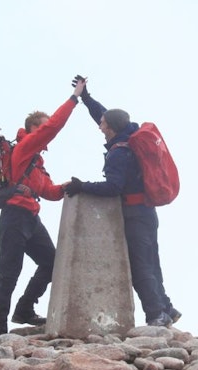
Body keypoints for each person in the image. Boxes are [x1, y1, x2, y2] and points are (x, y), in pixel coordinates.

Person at [64, 77, 181, 327]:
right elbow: (102, 114)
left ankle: (156, 314)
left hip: (134, 213)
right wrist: (85, 97)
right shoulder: (128, 134)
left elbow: (113, 188)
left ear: (111, 128)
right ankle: (167, 308)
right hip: (148, 211)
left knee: (140, 267)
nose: (100, 126)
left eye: (103, 124)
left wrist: (81, 186)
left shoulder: (119, 153)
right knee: (152, 260)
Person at [0, 79, 86, 336]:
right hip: (14, 216)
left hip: (30, 217)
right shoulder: (23, 149)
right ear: (32, 129)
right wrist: (75, 97)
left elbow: (49, 192)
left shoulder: (36, 162)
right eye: (41, 128)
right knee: (9, 272)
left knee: (52, 263)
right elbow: (53, 126)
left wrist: (69, 187)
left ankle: (24, 310)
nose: (47, 133)